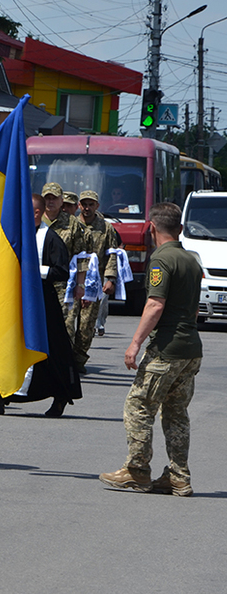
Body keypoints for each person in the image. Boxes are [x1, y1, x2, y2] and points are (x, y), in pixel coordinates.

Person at [100, 202, 202, 496]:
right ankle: (179, 476)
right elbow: (193, 309)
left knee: (138, 406)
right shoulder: (191, 260)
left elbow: (155, 304)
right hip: (190, 348)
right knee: (176, 412)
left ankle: (137, 471)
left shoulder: (161, 260)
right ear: (180, 229)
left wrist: (135, 343)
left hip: (167, 349)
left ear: (152, 228)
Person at [0, 194, 81, 416]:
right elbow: (4, 271)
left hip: (41, 303)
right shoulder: (13, 236)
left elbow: (62, 271)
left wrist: (34, 270)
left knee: (49, 350)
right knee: (5, 345)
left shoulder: (51, 238)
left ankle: (60, 398)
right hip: (11, 300)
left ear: (36, 212)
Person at [69, 190, 119, 373]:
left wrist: (111, 278)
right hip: (72, 281)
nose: (87, 208)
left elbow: (112, 254)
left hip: (94, 284)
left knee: (87, 324)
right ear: (79, 206)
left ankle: (78, 360)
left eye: (91, 204)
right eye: (84, 204)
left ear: (97, 206)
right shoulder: (72, 225)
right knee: (68, 321)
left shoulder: (106, 228)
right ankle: (66, 360)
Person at [41, 182, 86, 339]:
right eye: (47, 198)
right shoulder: (34, 220)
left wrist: (80, 284)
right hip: (39, 282)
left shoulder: (72, 223)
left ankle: (67, 362)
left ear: (61, 201)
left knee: (66, 328)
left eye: (54, 198)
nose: (50, 202)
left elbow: (81, 256)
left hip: (64, 285)